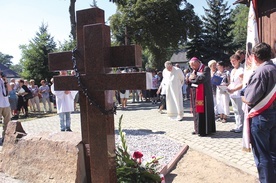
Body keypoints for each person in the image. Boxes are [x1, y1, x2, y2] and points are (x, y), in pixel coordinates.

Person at [241, 43, 276, 183]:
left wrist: (243, 97)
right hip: (273, 114)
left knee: (263, 155)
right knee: (273, 152)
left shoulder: (261, 72)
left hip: (262, 116)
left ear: (255, 57)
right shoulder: (273, 68)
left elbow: (250, 99)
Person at [188, 57, 216, 136]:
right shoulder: (194, 70)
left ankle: (205, 130)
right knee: (196, 112)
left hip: (205, 94)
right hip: (195, 94)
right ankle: (197, 129)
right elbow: (190, 80)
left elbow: (202, 79)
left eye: (193, 65)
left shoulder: (206, 69)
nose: (192, 67)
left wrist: (192, 79)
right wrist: (190, 79)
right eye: (191, 66)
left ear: (198, 63)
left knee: (203, 112)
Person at [227, 54, 244, 133]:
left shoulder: (241, 70)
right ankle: (237, 125)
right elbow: (232, 82)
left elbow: (243, 83)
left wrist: (234, 89)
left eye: (234, 61)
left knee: (239, 111)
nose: (232, 62)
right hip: (232, 93)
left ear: (238, 61)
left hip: (238, 93)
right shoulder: (233, 70)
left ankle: (241, 126)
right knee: (235, 110)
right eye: (231, 61)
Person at [0, 71, 11, 142]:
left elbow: (10, 89)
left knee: (7, 122)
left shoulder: (3, 81)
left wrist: (6, 81)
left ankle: (4, 137)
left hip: (6, 104)